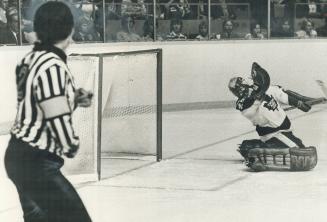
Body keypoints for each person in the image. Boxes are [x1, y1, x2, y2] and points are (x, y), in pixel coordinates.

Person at [4, 2, 93, 221]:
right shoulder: (53, 65)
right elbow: (55, 115)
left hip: (17, 155)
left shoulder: (30, 59)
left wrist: (73, 99)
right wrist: (70, 144)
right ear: (70, 30)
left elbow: (38, 101)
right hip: (37, 162)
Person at [228, 62, 317, 171]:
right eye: (237, 90)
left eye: (241, 87)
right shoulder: (242, 104)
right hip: (272, 134)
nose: (241, 91)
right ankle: (259, 151)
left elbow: (284, 95)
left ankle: (252, 146)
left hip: (285, 129)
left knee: (299, 147)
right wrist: (258, 96)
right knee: (300, 151)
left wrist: (299, 103)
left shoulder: (267, 89)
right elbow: (250, 110)